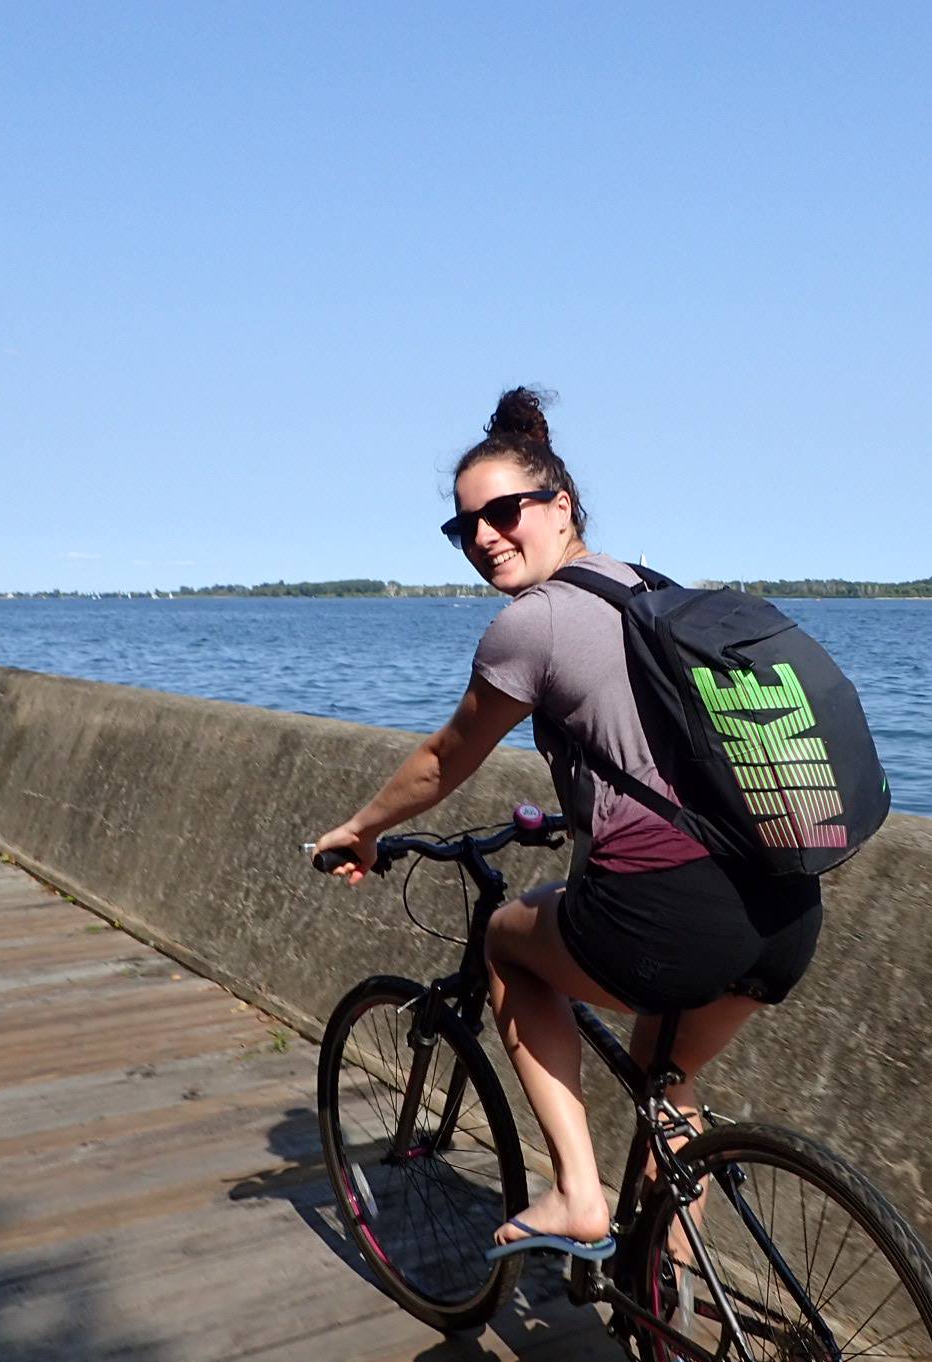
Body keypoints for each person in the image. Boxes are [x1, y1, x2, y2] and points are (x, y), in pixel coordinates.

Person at [312, 388, 822, 1263]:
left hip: (676, 915)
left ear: (561, 505)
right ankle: (672, 1301)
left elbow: (444, 758)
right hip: (785, 903)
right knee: (665, 1082)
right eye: (463, 527)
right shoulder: (650, 590)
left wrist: (360, 828)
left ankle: (579, 1194)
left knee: (508, 946)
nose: (483, 537)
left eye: (503, 512)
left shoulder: (534, 622)